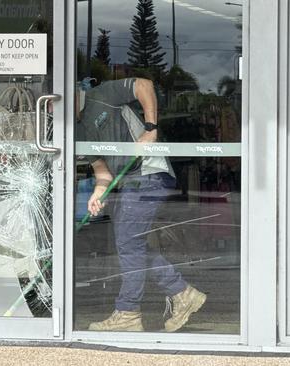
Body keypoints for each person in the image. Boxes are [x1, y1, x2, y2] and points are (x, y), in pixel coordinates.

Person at [79, 77, 206, 332]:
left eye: (53, 106)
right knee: (132, 244)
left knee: (129, 243)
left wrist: (151, 128)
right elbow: (102, 170)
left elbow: (144, 85)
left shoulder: (101, 94)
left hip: (147, 173)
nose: (53, 112)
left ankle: (129, 312)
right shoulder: (79, 128)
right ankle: (181, 293)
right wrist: (98, 192)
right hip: (128, 182)